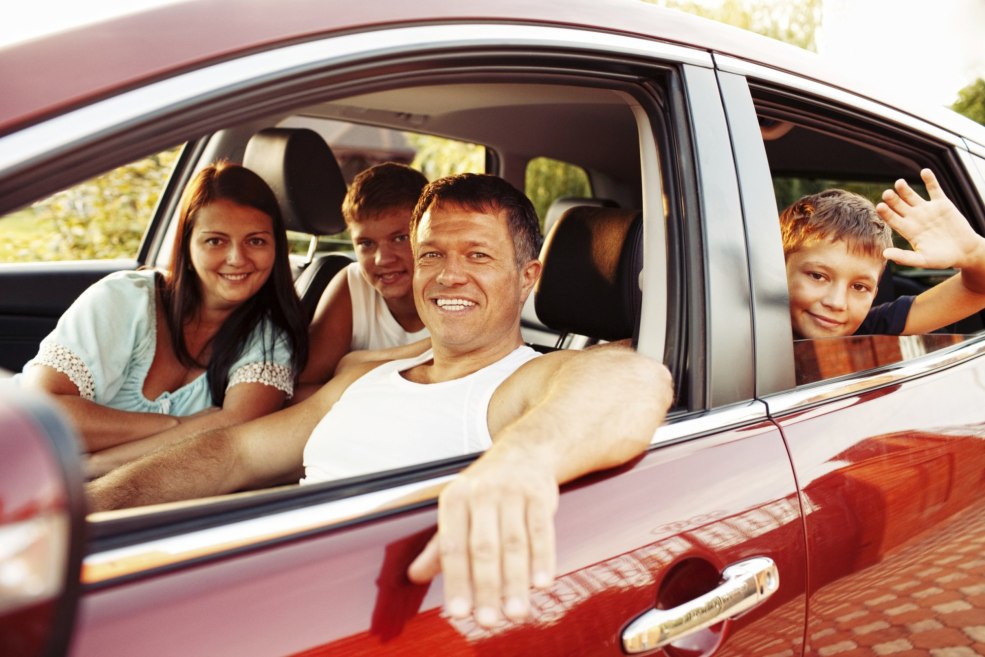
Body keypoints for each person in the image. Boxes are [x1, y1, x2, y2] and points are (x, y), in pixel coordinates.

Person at [88, 173, 673, 628]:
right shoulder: (363, 376)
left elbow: (631, 380)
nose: (448, 276)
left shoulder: (525, 384)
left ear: (528, 278)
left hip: (365, 615)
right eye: (431, 255)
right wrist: (94, 506)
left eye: (477, 255)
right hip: (262, 591)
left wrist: (520, 465)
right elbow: (236, 452)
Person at [19, 162, 308, 476]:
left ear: (277, 248)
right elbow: (41, 415)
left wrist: (94, 465)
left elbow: (233, 433)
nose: (237, 258)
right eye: (215, 241)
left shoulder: (269, 341)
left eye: (256, 241)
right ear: (187, 244)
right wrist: (181, 425)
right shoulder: (122, 299)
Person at [780, 168, 985, 338]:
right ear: (779, 272)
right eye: (818, 276)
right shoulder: (749, 329)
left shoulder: (872, 330)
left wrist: (974, 251)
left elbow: (977, 291)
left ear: (874, 293)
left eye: (860, 287)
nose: (836, 303)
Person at [298, 162, 429, 398]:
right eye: (366, 244)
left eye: (400, 238)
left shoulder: (458, 289)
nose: (382, 259)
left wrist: (354, 364)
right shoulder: (352, 284)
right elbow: (301, 389)